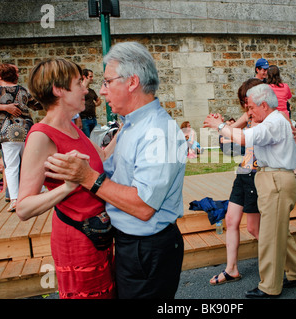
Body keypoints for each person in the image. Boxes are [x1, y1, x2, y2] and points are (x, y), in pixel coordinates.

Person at [44, 42, 187, 299]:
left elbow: (143, 206)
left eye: (108, 82)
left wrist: (87, 177)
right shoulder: (132, 125)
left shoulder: (158, 132)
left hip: (147, 248)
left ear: (132, 82)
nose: (101, 90)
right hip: (132, 244)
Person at [16, 58, 116, 299]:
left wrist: (126, 130)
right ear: (58, 90)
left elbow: (99, 157)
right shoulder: (42, 135)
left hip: (99, 234)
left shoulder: (73, 127)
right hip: (77, 240)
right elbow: (23, 208)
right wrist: (69, 186)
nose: (85, 89)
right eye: (79, 83)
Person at [204, 84, 296, 298]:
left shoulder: (273, 122)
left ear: (263, 105)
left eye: (251, 107)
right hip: (272, 178)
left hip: (276, 180)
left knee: (270, 236)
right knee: (278, 233)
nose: (249, 112)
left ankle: (269, 287)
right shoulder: (276, 120)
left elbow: (243, 138)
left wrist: (219, 125)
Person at [208, 78, 262, 286]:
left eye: (246, 100)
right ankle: (231, 269)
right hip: (243, 172)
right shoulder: (249, 113)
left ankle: (287, 262)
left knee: (254, 229)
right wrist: (221, 124)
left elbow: (241, 137)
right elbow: (228, 135)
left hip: (256, 174)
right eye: (243, 101)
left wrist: (222, 126)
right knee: (231, 220)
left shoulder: (265, 117)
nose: (245, 105)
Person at [0, 63, 38, 212]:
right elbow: (37, 106)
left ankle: (15, 199)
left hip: (8, 132)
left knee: (11, 166)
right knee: (29, 164)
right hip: (26, 130)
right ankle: (35, 193)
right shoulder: (22, 90)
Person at [267, 65, 296, 178]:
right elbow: (288, 97)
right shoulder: (285, 86)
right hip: (285, 116)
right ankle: (295, 168)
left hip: (273, 116)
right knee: (290, 141)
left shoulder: (267, 88)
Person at [80, 69, 101, 137]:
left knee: (96, 139)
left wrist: (94, 104)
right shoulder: (79, 90)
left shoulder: (91, 91)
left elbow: (99, 100)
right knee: (88, 140)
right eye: (90, 76)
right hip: (84, 119)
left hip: (93, 119)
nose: (92, 78)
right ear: (84, 77)